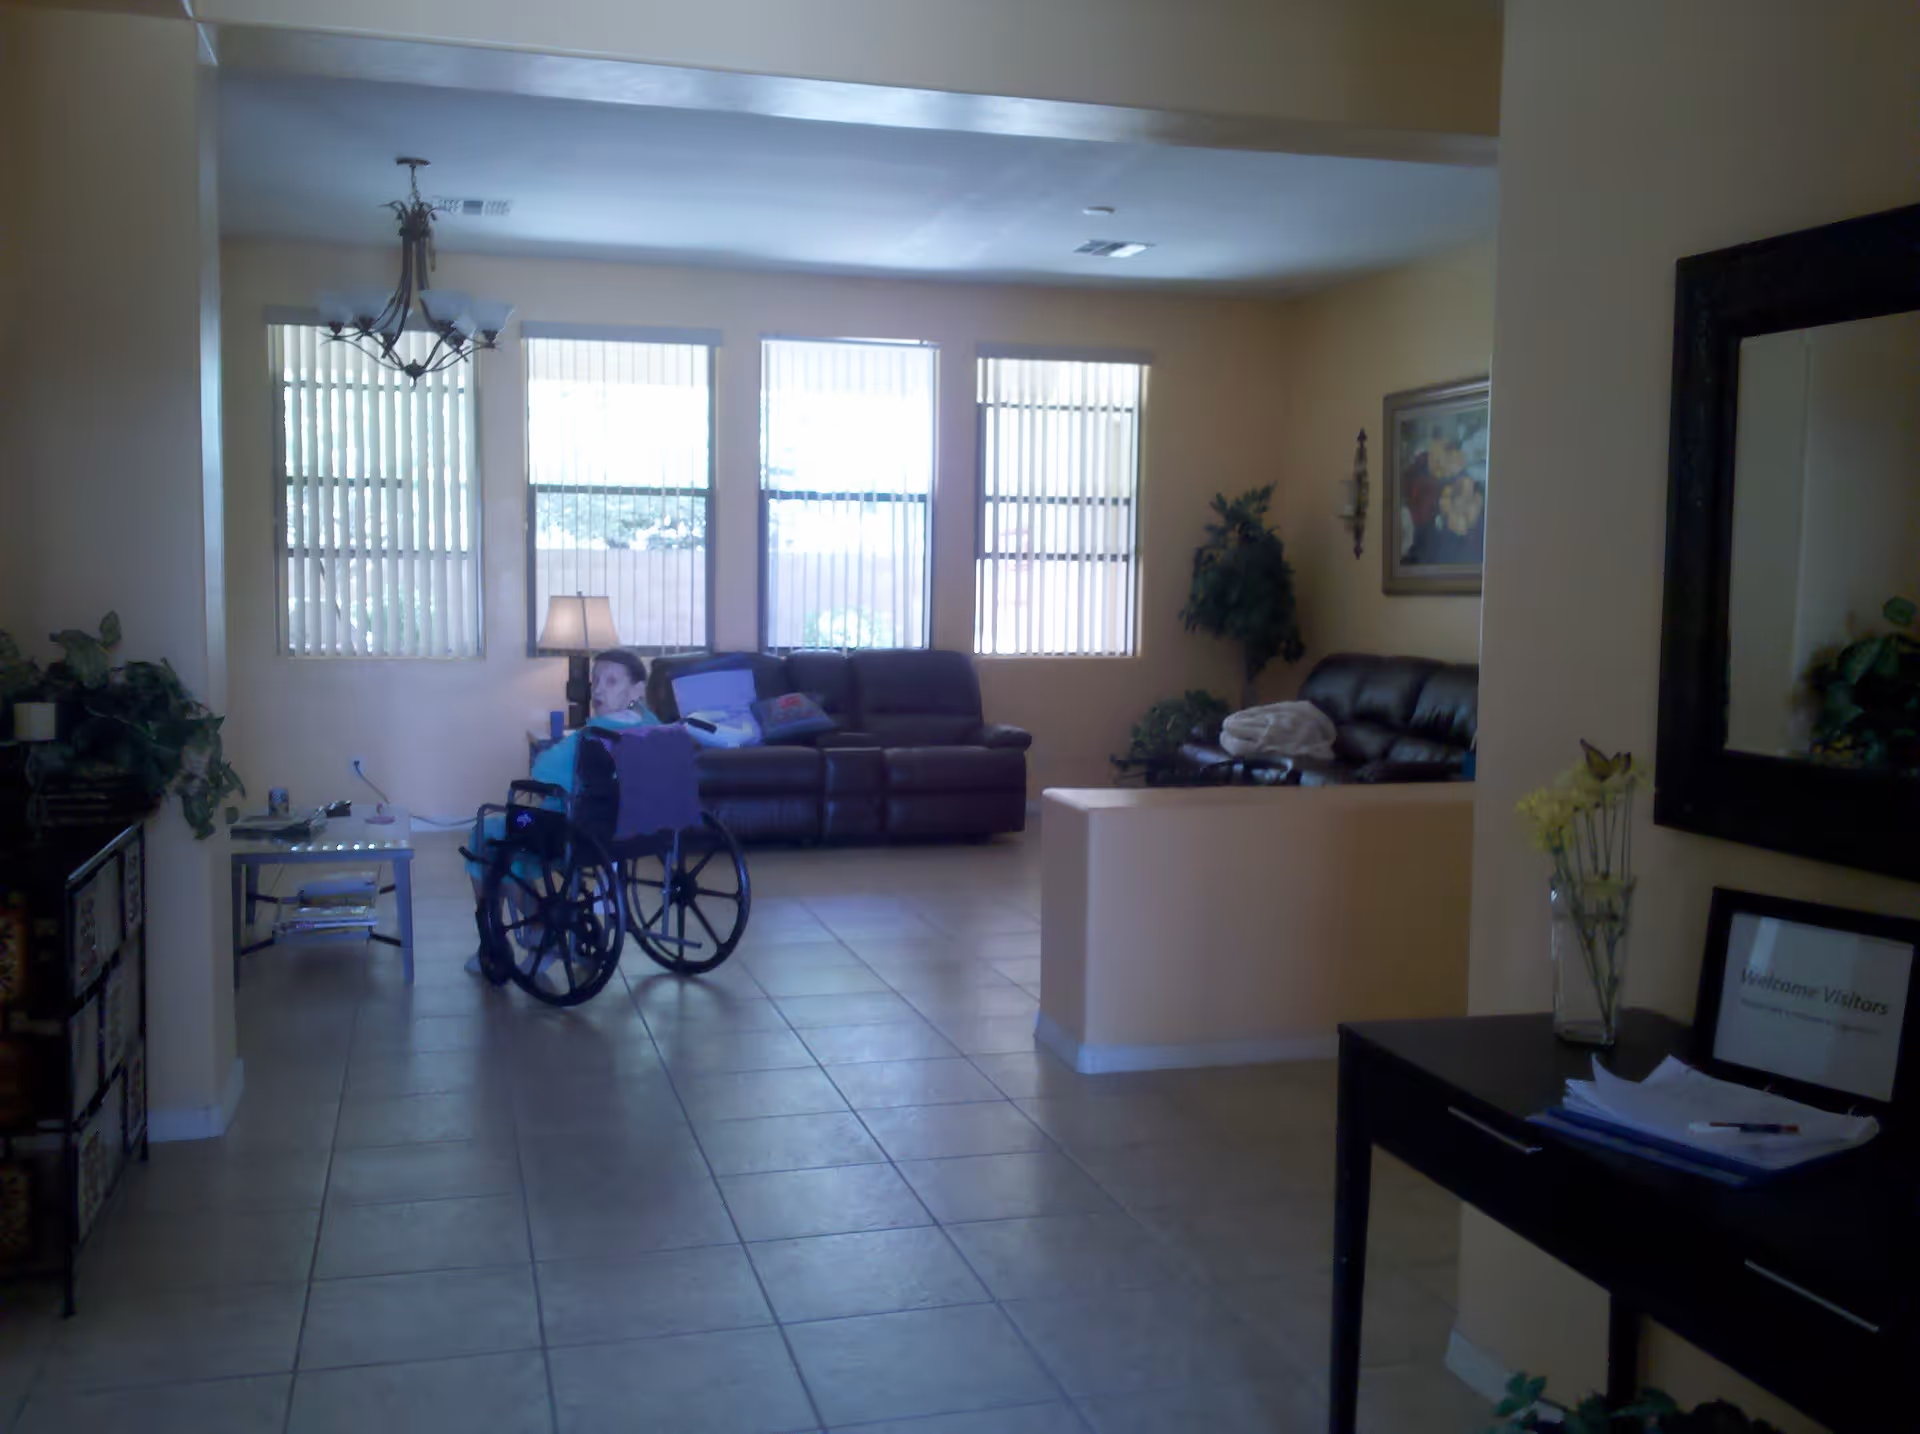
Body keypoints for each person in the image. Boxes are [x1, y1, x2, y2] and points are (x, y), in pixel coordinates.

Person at [465, 648, 658, 982]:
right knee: (516, 839)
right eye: (596, 680)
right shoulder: (654, 728)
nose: (597, 690)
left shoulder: (592, 736)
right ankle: (544, 923)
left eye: (611, 682)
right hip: (631, 829)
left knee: (488, 829)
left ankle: (534, 930)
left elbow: (541, 771)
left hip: (568, 827)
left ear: (637, 689)